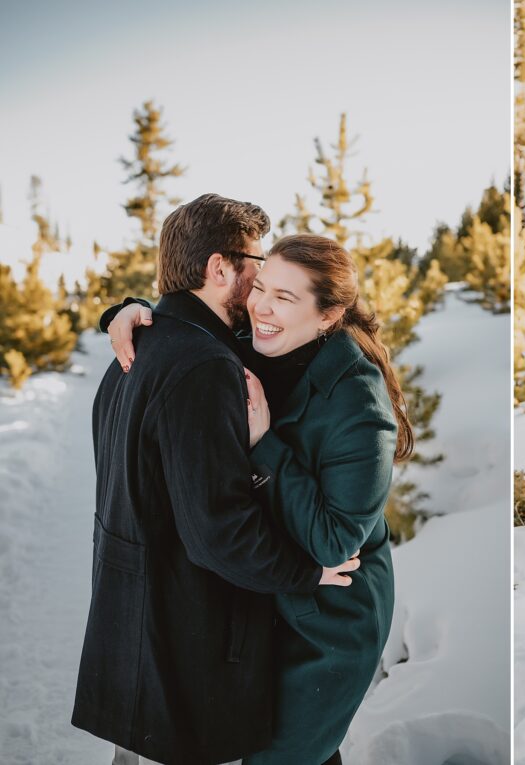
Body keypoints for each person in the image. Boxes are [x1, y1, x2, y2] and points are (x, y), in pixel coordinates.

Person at [73, 194, 358, 765]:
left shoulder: (138, 346)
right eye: (256, 265)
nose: (261, 282)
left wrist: (124, 309)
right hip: (188, 655)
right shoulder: (204, 365)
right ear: (220, 267)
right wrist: (305, 570)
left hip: (136, 641)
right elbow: (217, 529)